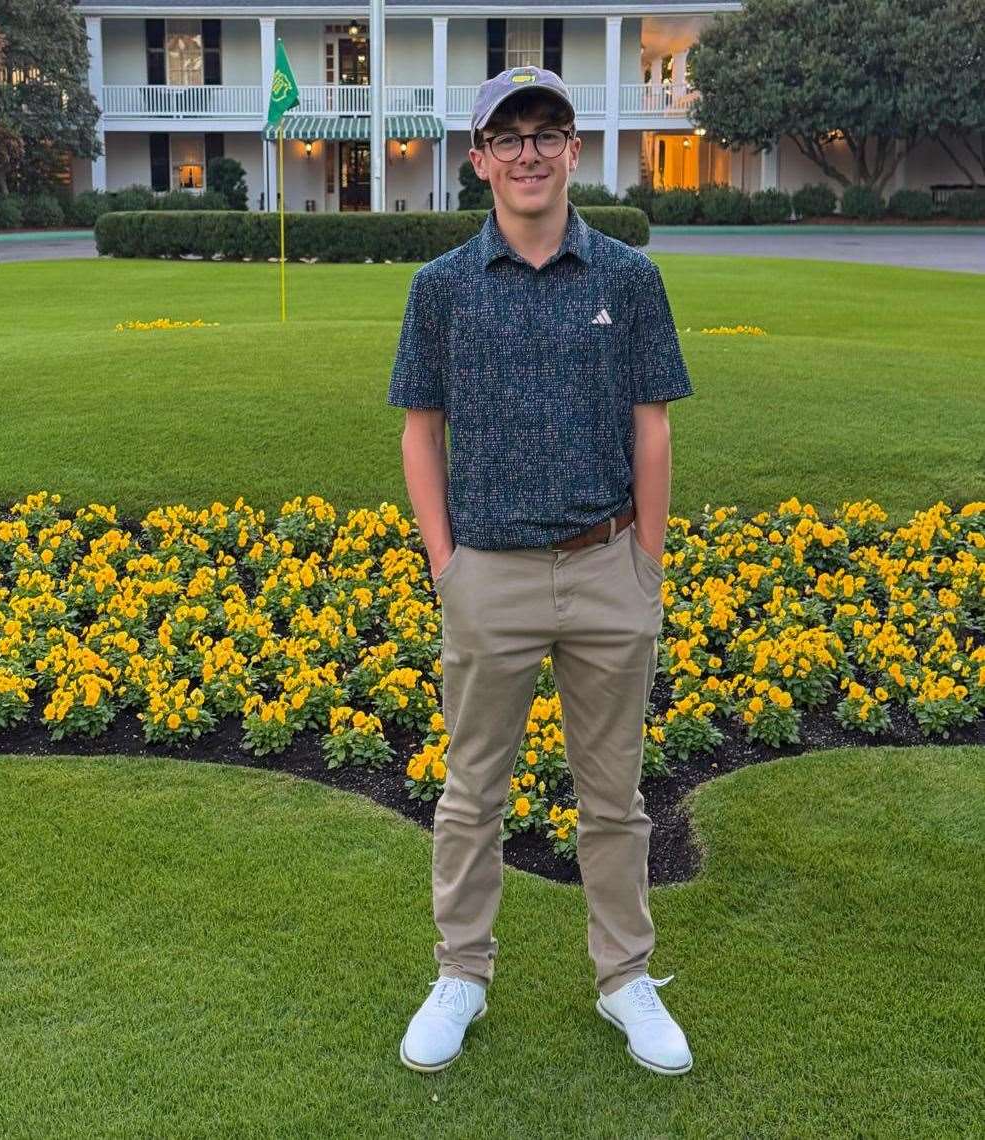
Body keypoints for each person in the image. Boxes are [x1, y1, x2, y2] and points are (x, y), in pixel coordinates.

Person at [388, 65, 695, 1076]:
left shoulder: (627, 279)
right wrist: (447, 566)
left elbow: (652, 427)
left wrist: (645, 563)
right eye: (508, 137)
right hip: (490, 575)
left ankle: (624, 978)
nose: (529, 153)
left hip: (607, 567)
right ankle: (460, 973)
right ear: (479, 159)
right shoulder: (440, 289)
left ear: (573, 150)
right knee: (471, 794)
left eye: (546, 133)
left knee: (614, 799)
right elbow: (421, 431)